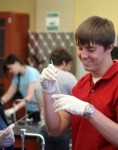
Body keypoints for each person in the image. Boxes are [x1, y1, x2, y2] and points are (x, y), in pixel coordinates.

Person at [40, 16, 118, 150]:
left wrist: (89, 111)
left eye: (91, 49)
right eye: (80, 48)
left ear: (110, 47)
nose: (83, 55)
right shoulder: (81, 84)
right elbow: (54, 130)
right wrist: (47, 92)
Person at [39, 48, 77, 150]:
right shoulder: (69, 77)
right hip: (63, 131)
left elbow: (38, 103)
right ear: (64, 62)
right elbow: (78, 101)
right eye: (70, 64)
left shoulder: (42, 77)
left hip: (44, 128)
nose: (69, 68)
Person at [2, 54, 41, 123]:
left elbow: (30, 96)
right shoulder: (17, 77)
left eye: (10, 68)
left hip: (39, 110)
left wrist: (14, 108)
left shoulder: (32, 73)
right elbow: (8, 94)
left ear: (16, 63)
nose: (10, 71)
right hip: (29, 110)